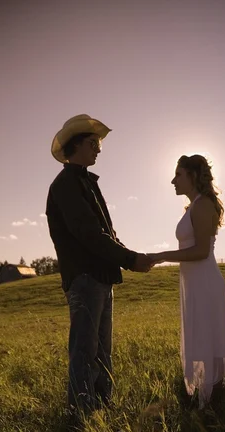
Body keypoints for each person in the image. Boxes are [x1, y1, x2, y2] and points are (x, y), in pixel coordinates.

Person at [46, 114, 152, 414]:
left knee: (102, 349)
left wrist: (123, 258)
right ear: (75, 145)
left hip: (101, 276)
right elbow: (89, 234)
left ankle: (103, 407)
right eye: (93, 143)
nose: (99, 149)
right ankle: (81, 411)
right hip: (84, 277)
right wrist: (130, 259)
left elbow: (105, 233)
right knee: (85, 349)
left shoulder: (85, 182)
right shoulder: (66, 184)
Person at [148, 155, 225, 408]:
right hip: (195, 281)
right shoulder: (194, 206)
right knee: (201, 332)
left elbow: (201, 252)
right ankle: (209, 395)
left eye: (178, 175)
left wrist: (160, 256)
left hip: (205, 281)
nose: (172, 181)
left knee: (207, 333)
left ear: (192, 176)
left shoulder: (202, 206)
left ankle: (212, 400)